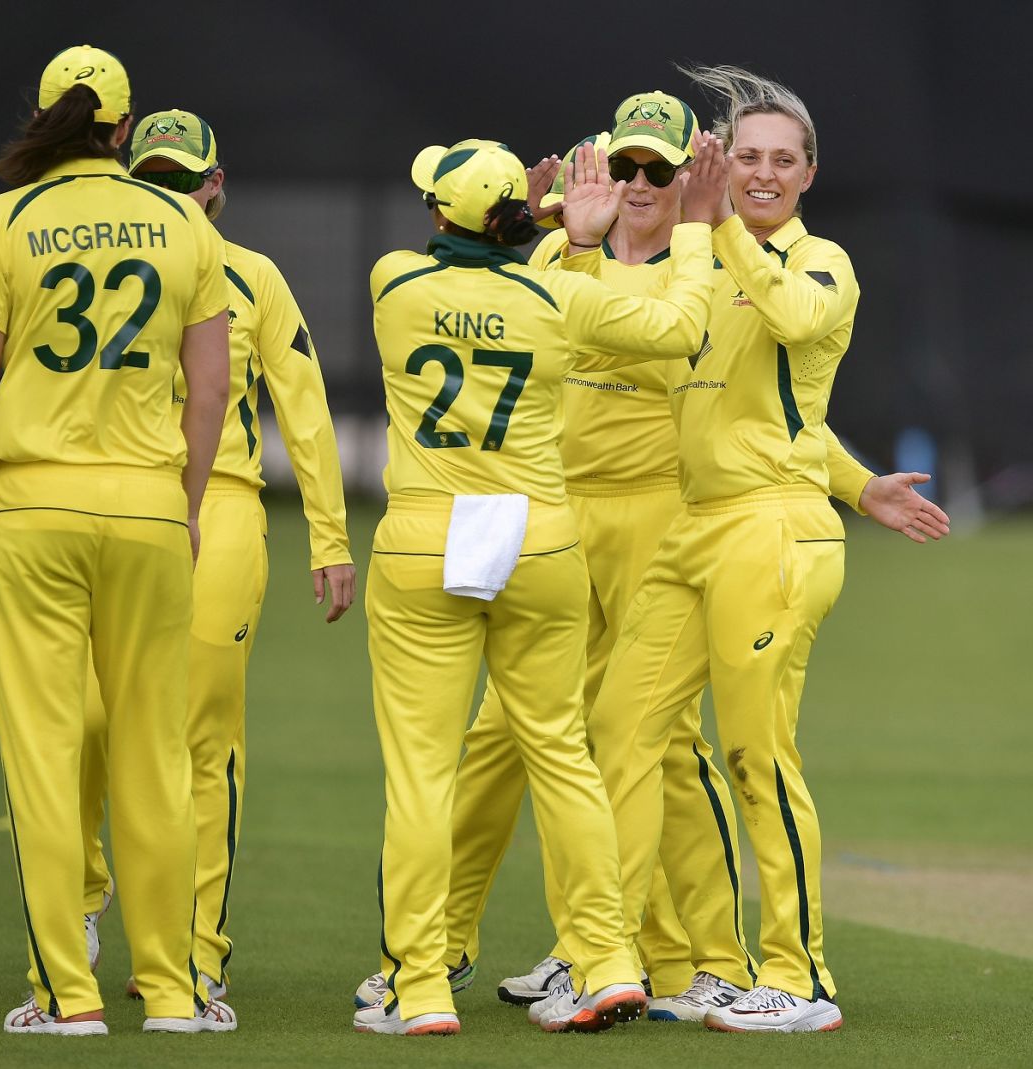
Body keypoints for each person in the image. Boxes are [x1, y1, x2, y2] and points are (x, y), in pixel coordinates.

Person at [355, 93, 948, 1023]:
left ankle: (702, 956)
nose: (638, 184)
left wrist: (849, 480)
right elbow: (497, 305)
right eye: (623, 165)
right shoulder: (571, 255)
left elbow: (764, 392)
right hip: (545, 515)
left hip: (667, 512)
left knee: (674, 746)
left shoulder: (706, 261)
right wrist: (537, 229)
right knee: (520, 737)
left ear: (689, 175)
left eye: (658, 170)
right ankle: (469, 947)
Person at [566, 64, 940, 1033]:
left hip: (773, 532)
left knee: (754, 754)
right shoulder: (703, 262)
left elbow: (797, 321)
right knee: (618, 729)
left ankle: (799, 976)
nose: (764, 173)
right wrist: (862, 482)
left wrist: (714, 225)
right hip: (694, 528)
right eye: (748, 157)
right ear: (719, 161)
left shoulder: (820, 261)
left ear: (809, 174)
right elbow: (777, 411)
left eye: (783, 160)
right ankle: (650, 958)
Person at [354, 133, 731, 1036]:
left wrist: (548, 220)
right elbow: (682, 328)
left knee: (421, 773)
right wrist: (644, 235)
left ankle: (422, 985)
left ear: (441, 217)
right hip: (539, 534)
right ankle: (605, 958)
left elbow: (477, 265)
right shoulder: (559, 293)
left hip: (427, 532)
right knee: (563, 753)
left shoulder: (394, 281)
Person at [0, 45, 235, 1035]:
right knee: (155, 757)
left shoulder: (1, 221)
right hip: (145, 506)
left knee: (47, 760)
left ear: (48, 115)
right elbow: (213, 389)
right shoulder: (185, 221)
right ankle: (177, 994)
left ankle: (68, 995)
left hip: (31, 510)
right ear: (127, 132)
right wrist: (183, 506)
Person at [74, 108, 356, 1011]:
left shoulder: (253, 277)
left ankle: (196, 954)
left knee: (202, 735)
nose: (172, 197)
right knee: (79, 719)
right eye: (152, 178)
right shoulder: (96, 265)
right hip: (109, 499)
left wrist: (331, 534)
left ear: (215, 186)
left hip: (224, 505)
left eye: (183, 181)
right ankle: (81, 900)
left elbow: (303, 404)